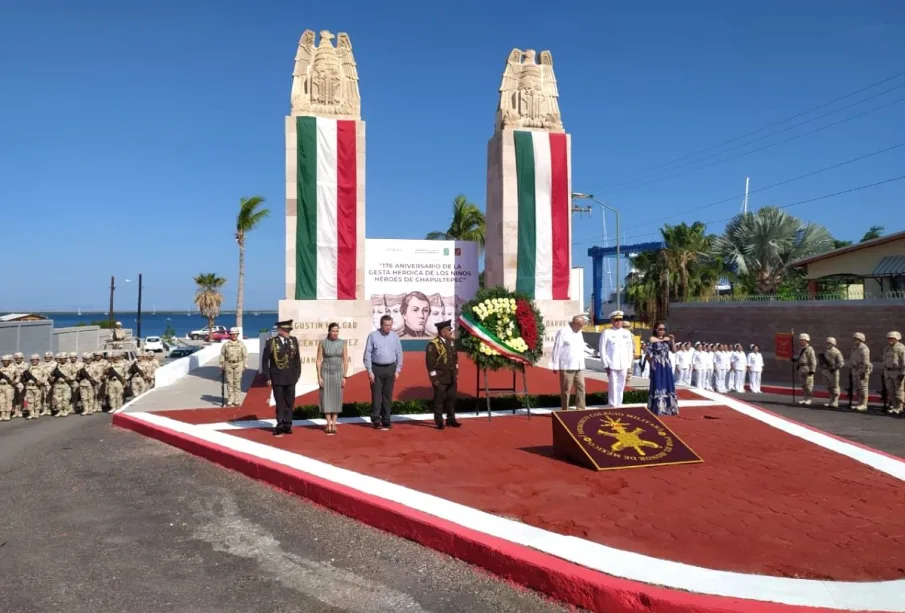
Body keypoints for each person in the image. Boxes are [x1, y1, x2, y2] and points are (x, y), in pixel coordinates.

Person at [261, 320, 302, 436]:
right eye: (286, 330)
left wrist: (297, 374)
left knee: (290, 403)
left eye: (289, 330)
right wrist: (268, 377)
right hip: (277, 378)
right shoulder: (271, 342)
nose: (288, 332)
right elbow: (265, 362)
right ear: (279, 330)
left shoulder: (293, 341)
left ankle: (288, 425)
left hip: (291, 378)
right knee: (280, 404)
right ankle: (280, 424)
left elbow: (297, 360)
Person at [363, 314, 403, 430]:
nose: (388, 328)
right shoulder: (373, 336)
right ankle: (376, 419)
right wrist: (369, 371)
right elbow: (367, 355)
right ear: (381, 325)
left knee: (387, 395)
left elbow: (399, 353)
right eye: (386, 325)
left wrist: (398, 370)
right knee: (376, 395)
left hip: (390, 368)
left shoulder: (394, 336)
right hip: (376, 369)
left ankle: (386, 419)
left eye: (390, 325)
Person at [426, 319, 460, 429]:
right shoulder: (433, 344)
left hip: (451, 375)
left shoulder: (451, 342)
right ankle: (439, 421)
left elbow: (455, 358)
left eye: (450, 329)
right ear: (442, 332)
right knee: (439, 401)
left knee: (451, 398)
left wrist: (456, 372)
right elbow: (430, 363)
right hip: (440, 377)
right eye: (448, 330)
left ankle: (451, 419)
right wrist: (434, 378)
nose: (451, 331)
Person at [317, 323, 348, 435]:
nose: (335, 333)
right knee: (325, 397)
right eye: (333, 331)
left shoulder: (342, 343)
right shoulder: (322, 343)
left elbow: (345, 360)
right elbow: (319, 360)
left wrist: (345, 376)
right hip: (325, 372)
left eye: (337, 331)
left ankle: (334, 423)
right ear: (329, 331)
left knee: (336, 397)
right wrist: (319, 376)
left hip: (338, 373)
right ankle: (328, 423)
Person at [551, 315, 588, 411]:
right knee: (566, 390)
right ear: (575, 323)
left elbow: (582, 346)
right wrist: (555, 364)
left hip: (579, 365)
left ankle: (580, 409)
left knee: (581, 387)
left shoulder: (579, 331)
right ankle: (565, 409)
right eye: (580, 325)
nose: (582, 327)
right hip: (567, 365)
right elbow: (557, 348)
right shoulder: (563, 332)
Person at [598, 310, 633, 407]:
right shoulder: (607, 332)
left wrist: (629, 363)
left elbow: (630, 349)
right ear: (612, 321)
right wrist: (605, 364)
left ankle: (619, 403)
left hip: (624, 363)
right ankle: (612, 404)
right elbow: (602, 349)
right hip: (612, 363)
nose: (619, 322)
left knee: (621, 384)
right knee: (613, 384)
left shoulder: (627, 333)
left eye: (621, 320)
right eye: (617, 320)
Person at [646, 322, 679, 415]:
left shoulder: (667, 340)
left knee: (668, 383)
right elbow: (648, 353)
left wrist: (672, 340)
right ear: (656, 329)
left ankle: (670, 408)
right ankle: (657, 408)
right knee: (658, 384)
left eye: (664, 329)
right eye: (660, 329)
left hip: (666, 364)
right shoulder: (652, 339)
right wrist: (651, 363)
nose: (662, 331)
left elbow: (674, 350)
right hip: (657, 364)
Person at [219, 327, 248, 406]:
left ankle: (237, 399)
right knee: (229, 382)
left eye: (235, 334)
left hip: (238, 364)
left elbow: (245, 355)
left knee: (237, 382)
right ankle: (230, 399)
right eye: (232, 334)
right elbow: (222, 355)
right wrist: (221, 365)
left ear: (237, 335)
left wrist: (245, 365)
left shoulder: (241, 344)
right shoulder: (226, 345)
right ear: (230, 335)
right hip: (228, 364)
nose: (234, 336)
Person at [882, 330, 905, 415]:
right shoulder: (887, 348)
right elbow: (884, 360)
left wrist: (903, 373)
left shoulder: (901, 348)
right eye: (889, 338)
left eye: (892, 338)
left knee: (899, 391)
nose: (890, 340)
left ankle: (900, 408)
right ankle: (895, 407)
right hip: (888, 372)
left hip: (897, 372)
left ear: (896, 339)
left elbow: (904, 362)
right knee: (891, 391)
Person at [849, 332, 871, 412]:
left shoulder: (864, 348)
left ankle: (864, 404)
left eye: (857, 338)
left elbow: (866, 362)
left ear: (861, 339)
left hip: (862, 371)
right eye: (854, 338)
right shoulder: (854, 348)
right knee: (858, 388)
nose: (855, 340)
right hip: (855, 370)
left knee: (863, 388)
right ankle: (859, 403)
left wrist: (864, 372)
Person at [820, 337, 845, 408]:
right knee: (828, 387)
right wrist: (823, 365)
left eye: (829, 343)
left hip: (833, 372)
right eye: (827, 343)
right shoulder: (826, 351)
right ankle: (831, 401)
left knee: (835, 387)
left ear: (833, 343)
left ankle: (835, 401)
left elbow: (841, 363)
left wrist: (833, 367)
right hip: (826, 372)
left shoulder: (836, 352)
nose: (827, 344)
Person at [795, 333, 817, 406]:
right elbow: (800, 358)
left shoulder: (810, 349)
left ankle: (809, 399)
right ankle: (805, 398)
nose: (801, 341)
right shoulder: (801, 349)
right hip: (801, 368)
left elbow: (813, 360)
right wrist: (795, 360)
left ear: (806, 340)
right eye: (800, 340)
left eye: (802, 340)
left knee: (808, 385)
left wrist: (812, 370)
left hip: (807, 368)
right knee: (803, 385)